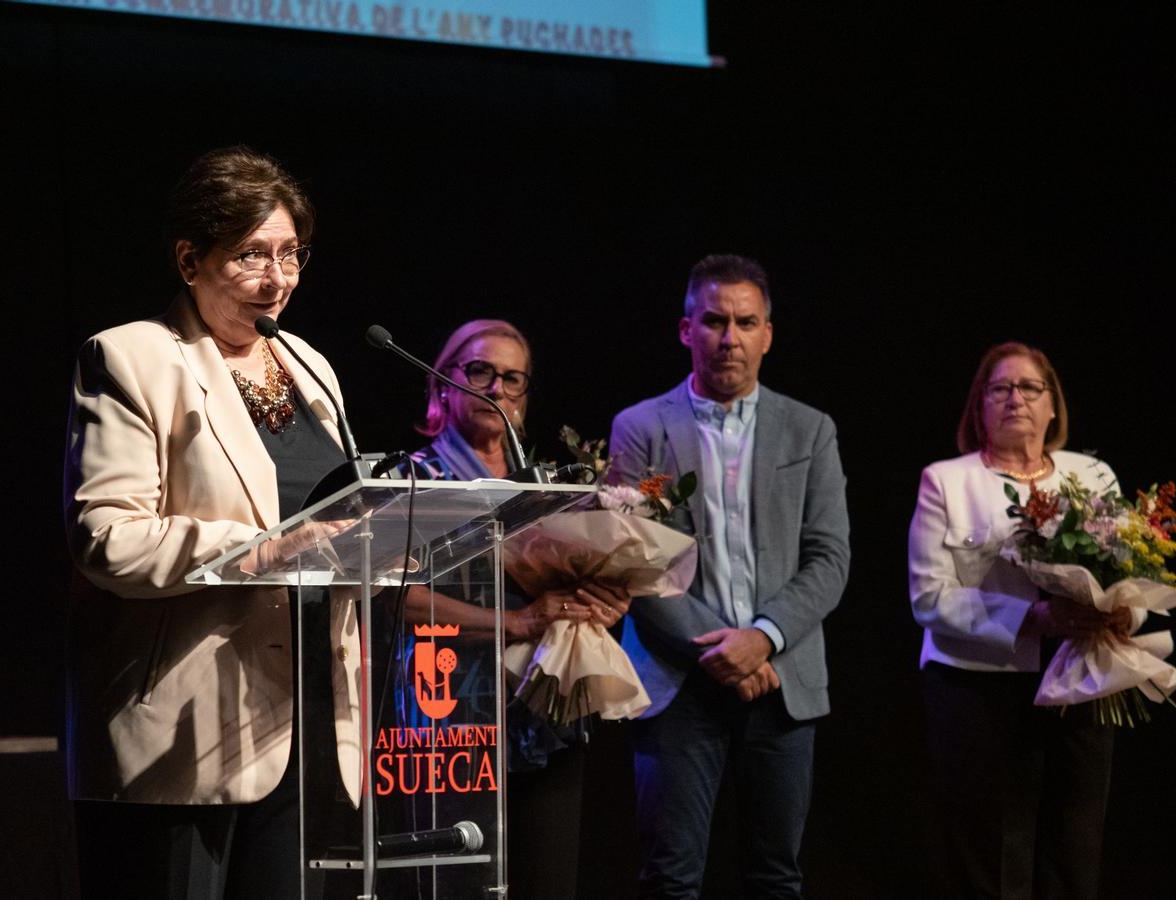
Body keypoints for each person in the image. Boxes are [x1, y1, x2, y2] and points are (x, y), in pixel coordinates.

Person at [64, 146, 360, 899]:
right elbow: (107, 538)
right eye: (252, 254)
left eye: (291, 254)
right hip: (183, 728)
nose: (278, 279)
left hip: (306, 719)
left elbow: (339, 515)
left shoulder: (310, 366)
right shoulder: (131, 358)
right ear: (190, 259)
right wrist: (263, 550)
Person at [608, 254, 850, 899]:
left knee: (776, 877)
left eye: (746, 322)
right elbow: (631, 557)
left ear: (767, 334)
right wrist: (723, 650)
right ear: (686, 329)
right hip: (678, 680)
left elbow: (830, 557)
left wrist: (763, 638)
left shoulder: (810, 429)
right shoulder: (640, 427)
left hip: (782, 679)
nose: (730, 338)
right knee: (671, 878)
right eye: (715, 320)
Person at [402, 318, 631, 899]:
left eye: (512, 378)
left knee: (548, 879)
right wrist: (516, 622)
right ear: (444, 383)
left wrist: (600, 604)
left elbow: (579, 585)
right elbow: (396, 599)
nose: (496, 388)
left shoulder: (551, 487)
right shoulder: (412, 481)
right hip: (448, 720)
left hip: (546, 711)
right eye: (480, 371)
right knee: (460, 885)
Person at [908, 341, 1127, 899]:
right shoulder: (946, 481)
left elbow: (1131, 563)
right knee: (989, 852)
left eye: (1031, 387)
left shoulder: (1093, 475)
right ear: (978, 406)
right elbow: (929, 597)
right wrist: (1033, 617)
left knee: (1074, 846)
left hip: (1080, 678)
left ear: (1053, 405)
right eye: (1000, 388)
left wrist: (1125, 611)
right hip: (977, 688)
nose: (1016, 399)